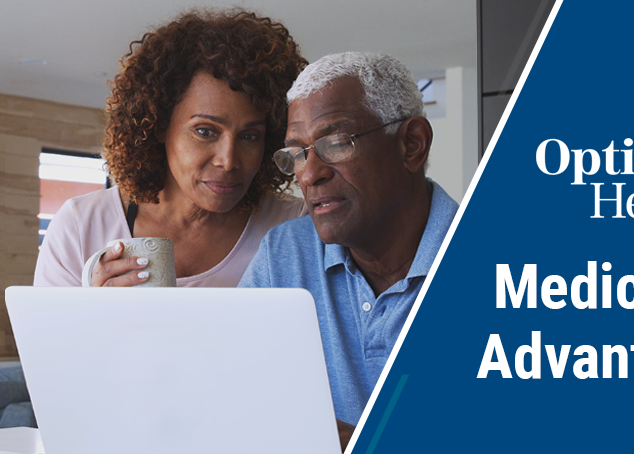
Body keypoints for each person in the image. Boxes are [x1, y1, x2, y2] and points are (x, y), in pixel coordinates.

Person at [239, 52, 460, 448]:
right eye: (297, 153)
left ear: (412, 144)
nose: (309, 173)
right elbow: (231, 394)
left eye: (337, 142)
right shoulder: (284, 256)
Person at [34, 10, 308, 287]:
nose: (228, 161)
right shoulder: (82, 227)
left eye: (250, 136)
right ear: (159, 125)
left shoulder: (295, 227)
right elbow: (43, 331)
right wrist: (93, 312)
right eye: (205, 131)